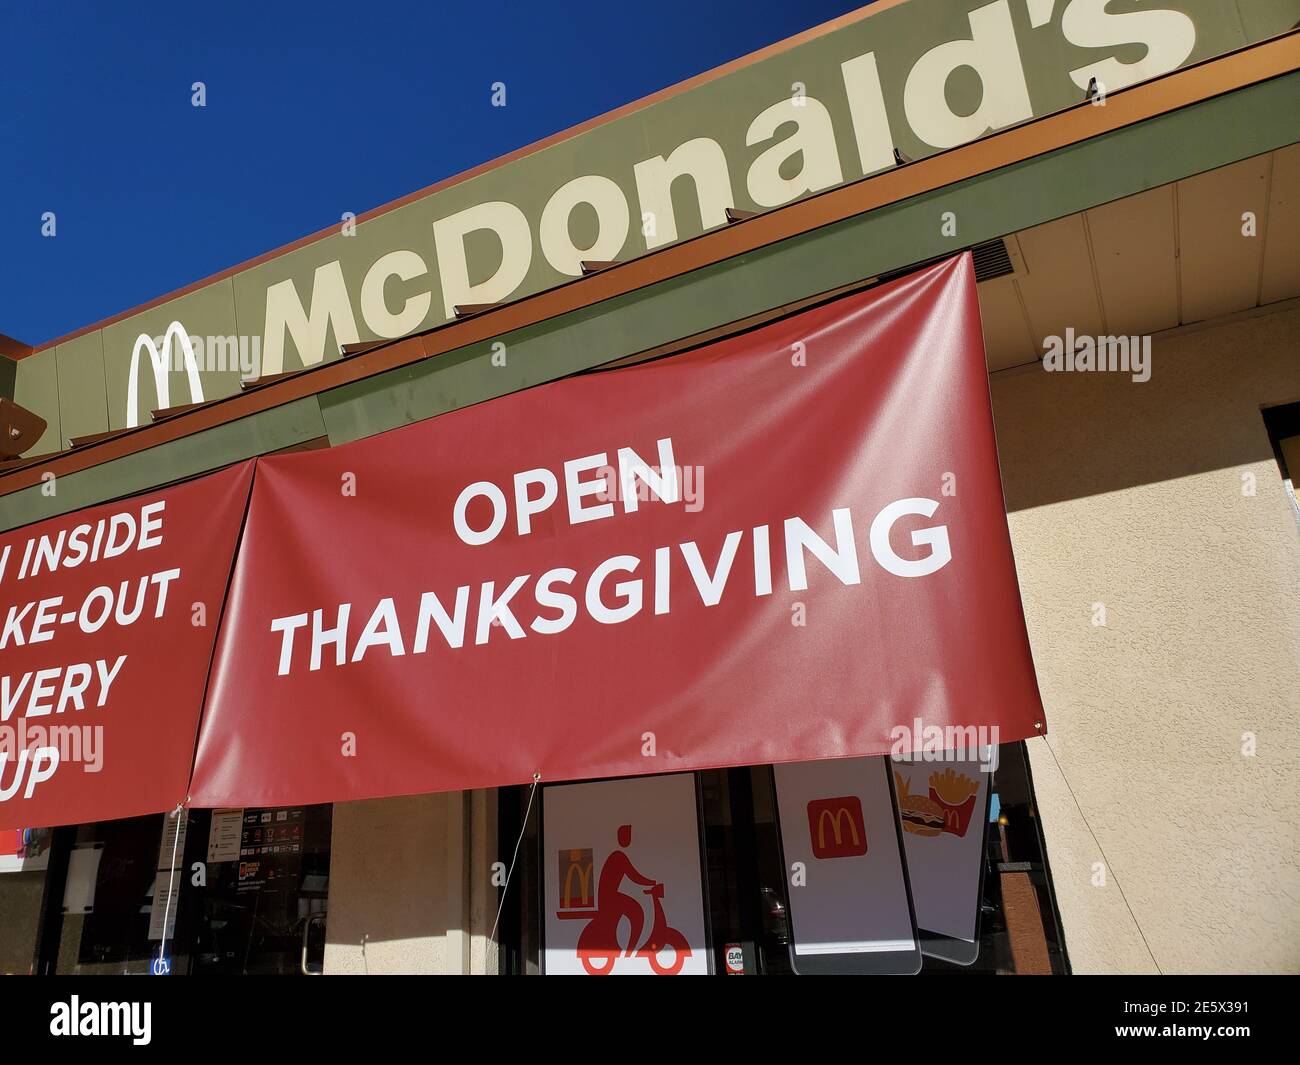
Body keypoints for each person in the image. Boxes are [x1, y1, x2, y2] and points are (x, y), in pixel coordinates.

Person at [595, 824, 657, 954]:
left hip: (611, 896)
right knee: (637, 912)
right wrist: (651, 882)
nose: (627, 839)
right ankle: (630, 949)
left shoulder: (619, 855)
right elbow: (633, 875)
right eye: (625, 836)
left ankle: (630, 947)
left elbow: (632, 876)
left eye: (628, 836)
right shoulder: (618, 856)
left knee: (635, 909)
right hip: (610, 897)